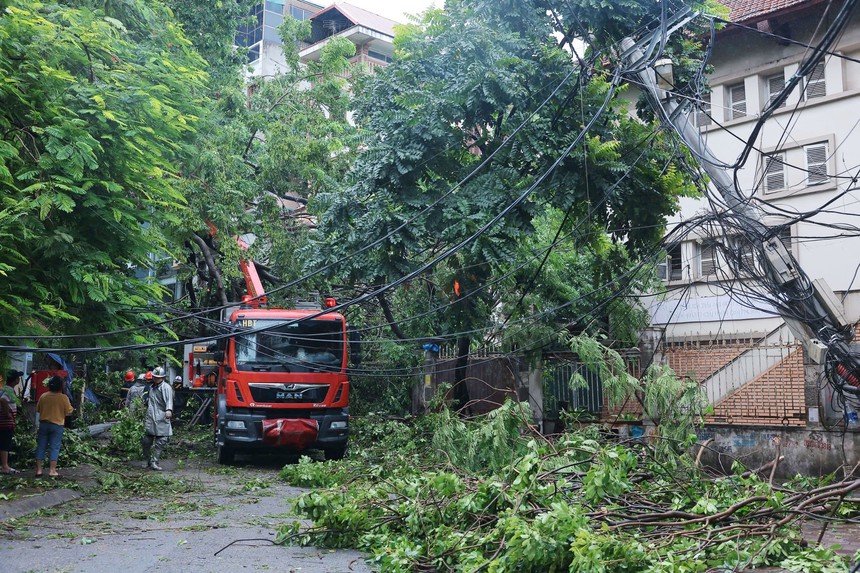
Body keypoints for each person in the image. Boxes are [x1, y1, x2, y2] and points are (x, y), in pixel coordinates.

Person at [34, 375, 74, 478]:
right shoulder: (63, 398)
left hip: (43, 424)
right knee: (54, 447)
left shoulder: (43, 396)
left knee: (41, 446)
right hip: (57, 426)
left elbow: (38, 409)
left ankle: (39, 470)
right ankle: (52, 471)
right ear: (61, 386)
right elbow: (69, 411)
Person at [142, 367, 173, 471]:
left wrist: (169, 410)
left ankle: (155, 461)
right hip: (151, 415)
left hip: (162, 416)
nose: (156, 379)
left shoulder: (166, 387)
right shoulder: (151, 387)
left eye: (158, 378)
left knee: (161, 440)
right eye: (154, 377)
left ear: (163, 378)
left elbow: (169, 400)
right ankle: (146, 460)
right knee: (146, 440)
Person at [0, 370, 23, 474]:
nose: (19, 379)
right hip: (6, 422)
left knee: (3, 443)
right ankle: (5, 466)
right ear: (15, 380)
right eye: (18, 377)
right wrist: (8, 414)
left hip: (3, 422)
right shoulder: (9, 390)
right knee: (5, 443)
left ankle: (3, 465)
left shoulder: (4, 388)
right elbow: (3, 400)